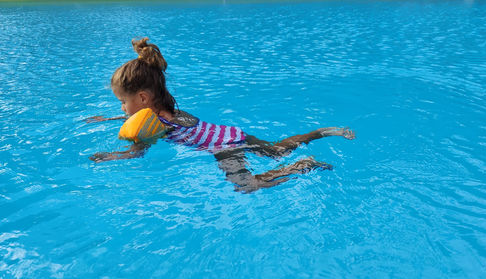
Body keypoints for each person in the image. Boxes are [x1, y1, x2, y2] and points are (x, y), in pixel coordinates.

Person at [87, 38, 355, 193]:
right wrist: (109, 119)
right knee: (278, 148)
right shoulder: (172, 111)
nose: (122, 109)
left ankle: (303, 165)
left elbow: (137, 151)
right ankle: (324, 132)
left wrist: (112, 156)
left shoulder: (153, 126)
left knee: (246, 186)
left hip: (223, 148)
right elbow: (138, 118)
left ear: (143, 98)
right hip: (232, 133)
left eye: (123, 102)